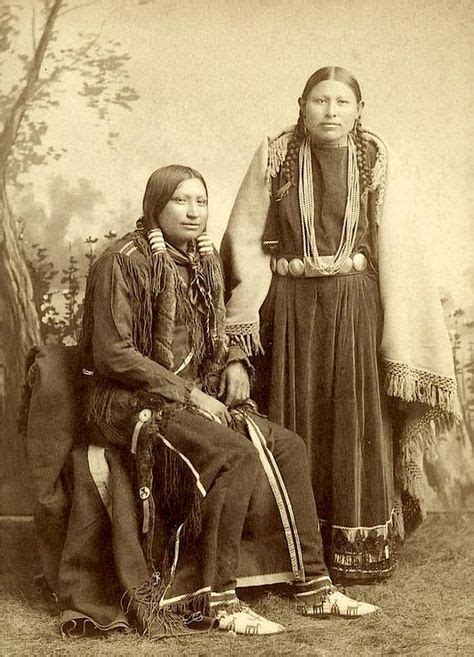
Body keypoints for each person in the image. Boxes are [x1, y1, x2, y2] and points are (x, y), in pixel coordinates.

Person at [25, 164, 379, 640]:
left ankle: (314, 586)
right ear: (156, 205)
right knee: (231, 455)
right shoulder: (122, 260)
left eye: (201, 202)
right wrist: (188, 394)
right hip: (127, 402)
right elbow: (113, 354)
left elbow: (212, 334)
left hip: (193, 394)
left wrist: (235, 360)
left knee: (288, 446)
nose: (194, 212)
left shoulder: (203, 260)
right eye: (181, 201)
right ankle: (219, 601)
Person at [221, 67, 459, 583]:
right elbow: (241, 238)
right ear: (301, 105)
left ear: (359, 110)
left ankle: (354, 551)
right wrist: (241, 327)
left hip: (354, 310)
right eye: (320, 100)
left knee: (351, 421)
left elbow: (400, 243)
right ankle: (289, 556)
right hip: (288, 311)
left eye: (342, 102)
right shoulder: (275, 154)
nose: (330, 111)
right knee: (294, 418)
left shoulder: (375, 158)